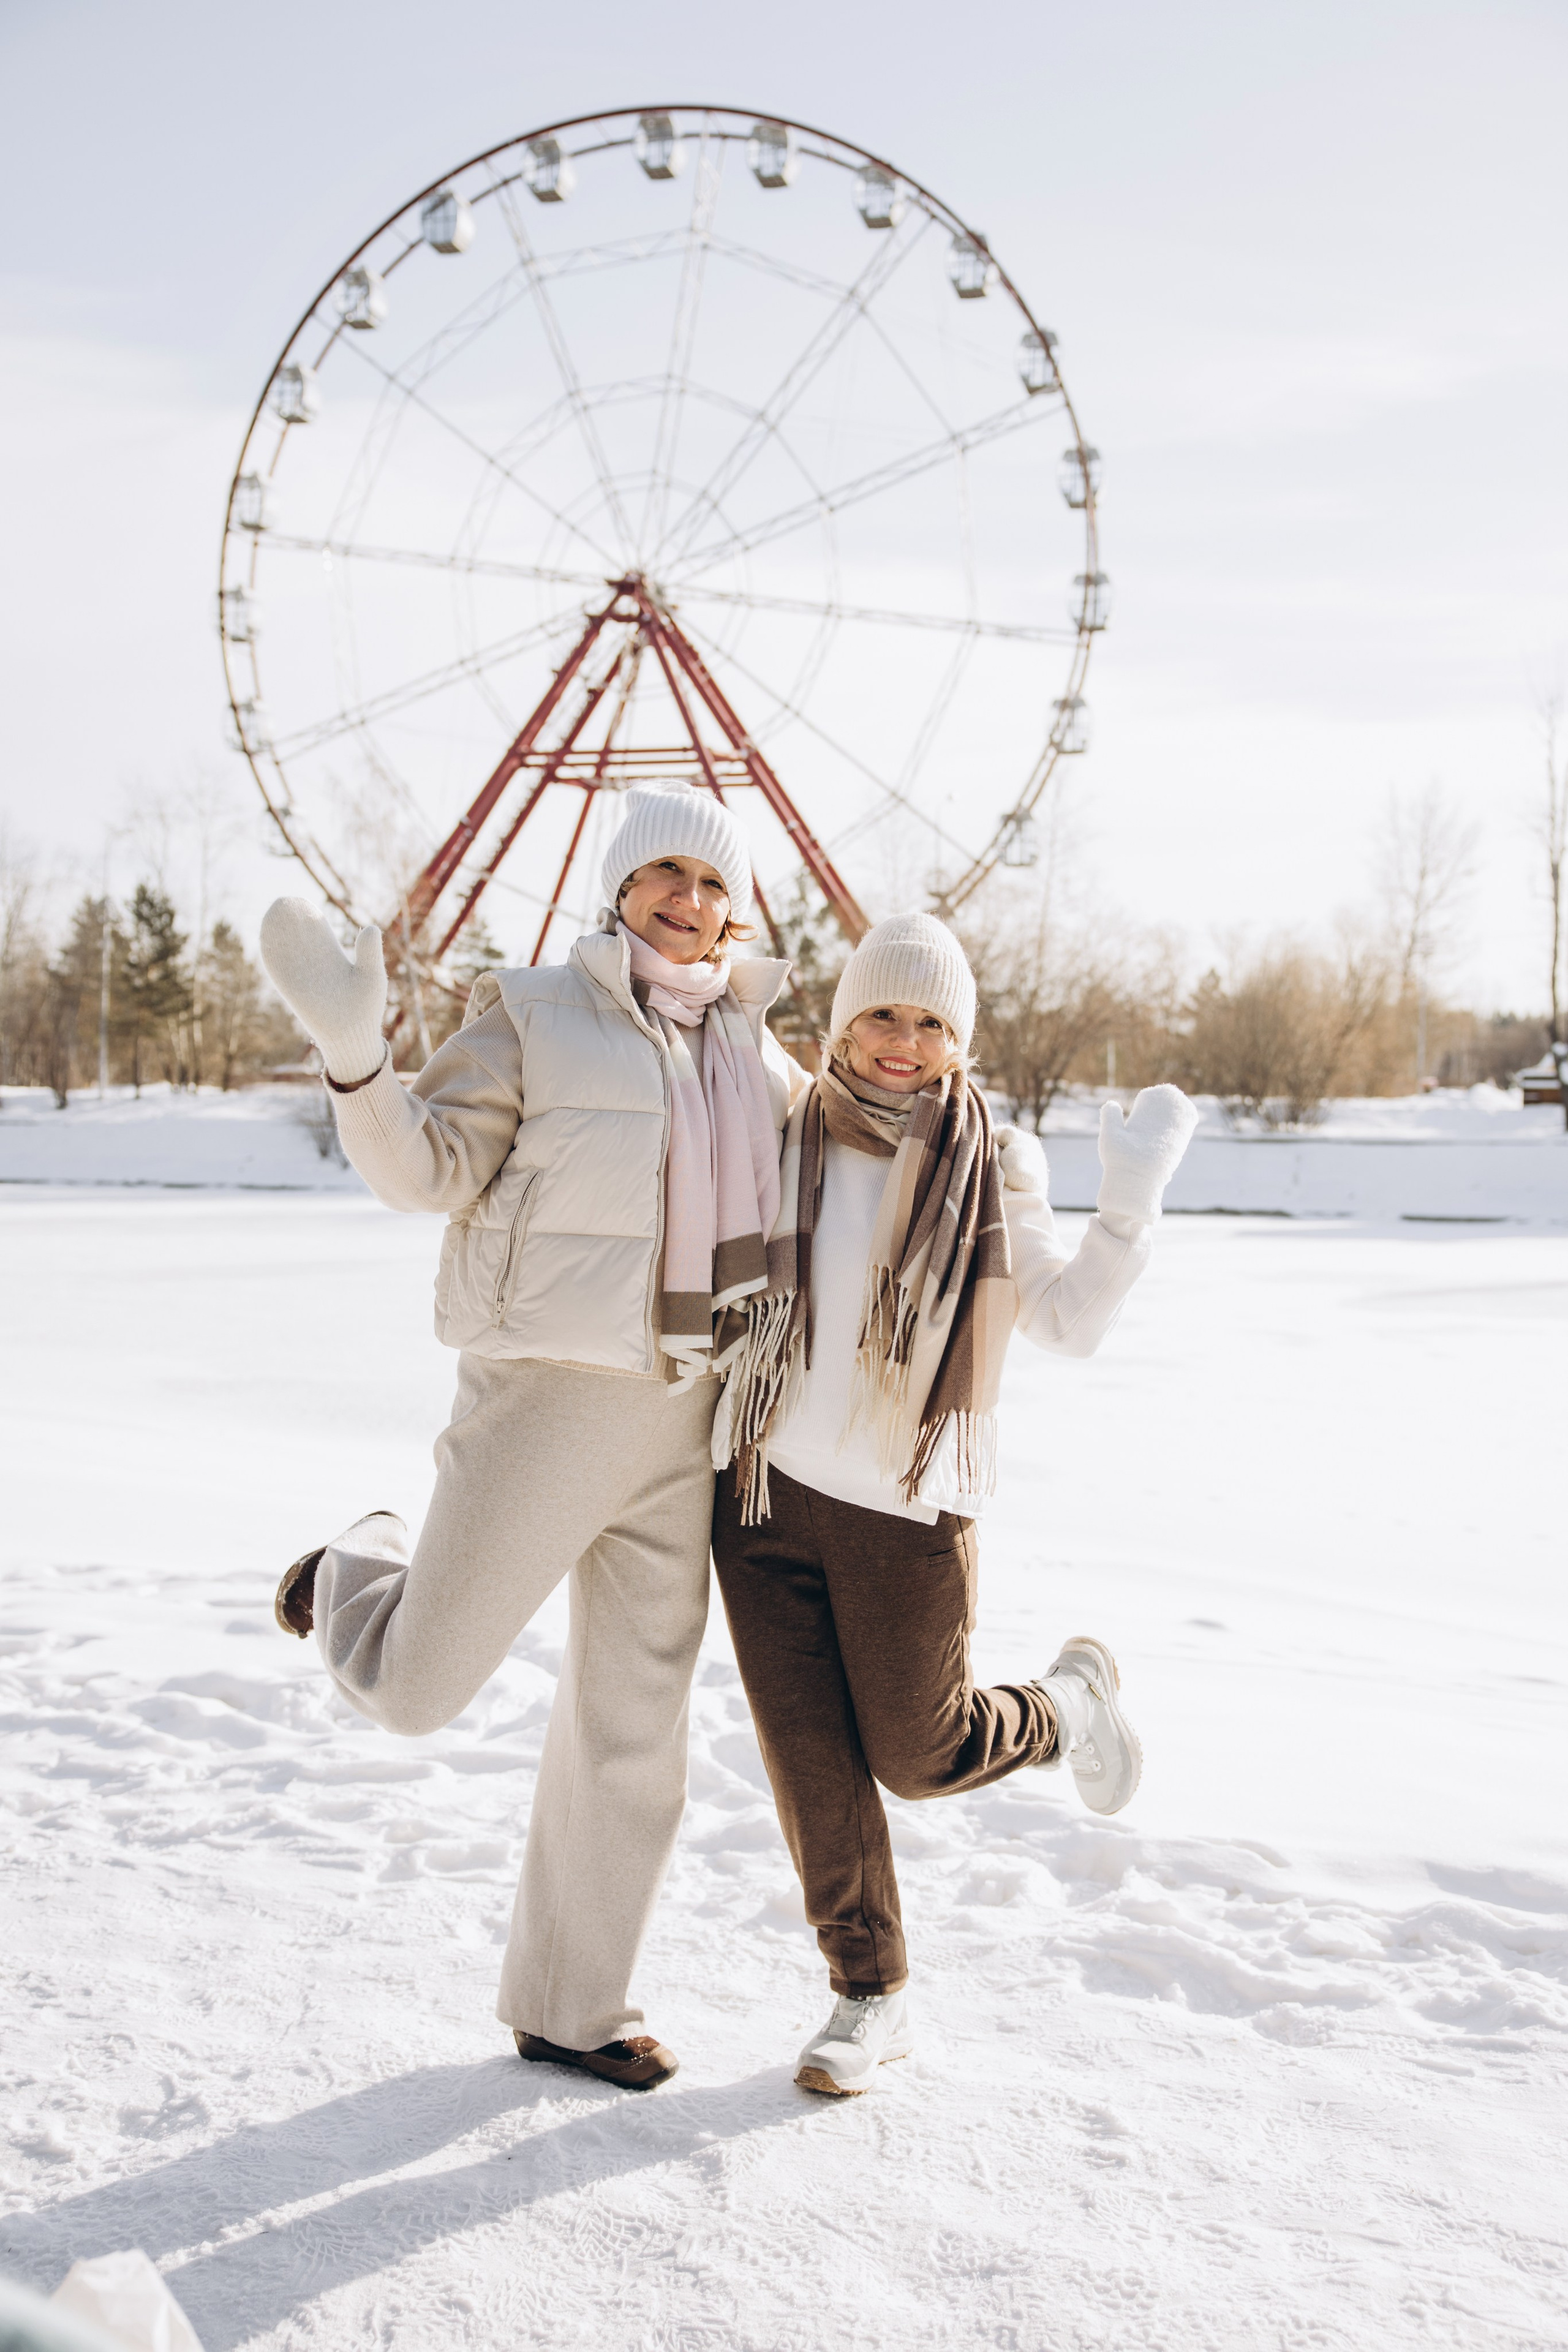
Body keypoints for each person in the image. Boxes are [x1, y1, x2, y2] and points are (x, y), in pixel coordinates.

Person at [257, 783, 802, 2092]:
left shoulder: (766, 1060)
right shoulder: (533, 1014)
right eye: (662, 875)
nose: (687, 900)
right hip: (544, 1401)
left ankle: (572, 2006)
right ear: (617, 891)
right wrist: (356, 1057)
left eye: (711, 882)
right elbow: (425, 1172)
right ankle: (349, 1572)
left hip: (690, 1418)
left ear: (735, 905)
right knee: (414, 1689)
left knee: (634, 1731)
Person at [709, 913, 1197, 2097]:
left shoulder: (995, 1163)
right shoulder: (786, 1130)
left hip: (905, 1511)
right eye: (883, 1013)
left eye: (933, 1023)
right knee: (812, 1768)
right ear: (842, 1020)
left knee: (920, 1759)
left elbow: (1070, 1324)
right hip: (762, 1496)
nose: (904, 1042)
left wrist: (1127, 1205)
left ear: (960, 1042)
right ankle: (866, 1997)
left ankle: (1065, 1707)